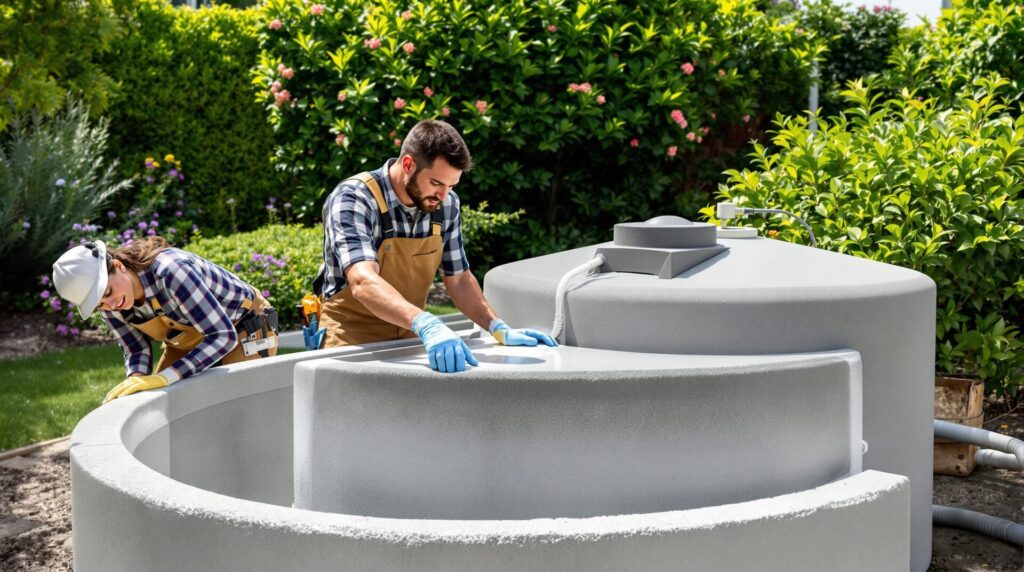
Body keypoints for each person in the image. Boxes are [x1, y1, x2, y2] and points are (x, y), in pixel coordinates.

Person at [316, 119, 556, 372]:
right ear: (408, 164)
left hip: (409, 337)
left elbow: (459, 279)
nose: (443, 195)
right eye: (436, 183)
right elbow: (362, 281)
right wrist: (426, 324)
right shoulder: (354, 198)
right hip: (351, 339)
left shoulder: (447, 205)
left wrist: (497, 327)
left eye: (451, 185)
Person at [52, 237, 279, 403]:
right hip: (190, 340)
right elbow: (135, 350)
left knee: (237, 408)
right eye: (99, 304)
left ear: (119, 266)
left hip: (243, 328)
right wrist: (135, 381)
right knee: (163, 407)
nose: (110, 306)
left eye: (108, 293)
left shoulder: (171, 271)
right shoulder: (111, 305)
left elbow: (222, 336)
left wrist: (165, 377)